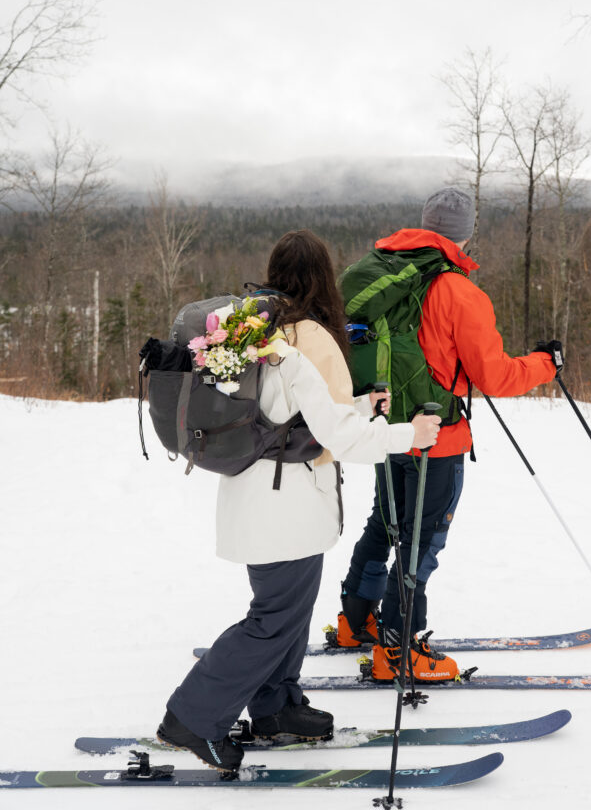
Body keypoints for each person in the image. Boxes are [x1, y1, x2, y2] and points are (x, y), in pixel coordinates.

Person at [156, 229, 441, 772]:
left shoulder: (256, 333)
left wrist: (361, 404)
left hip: (261, 496)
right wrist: (410, 434)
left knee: (289, 614)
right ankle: (192, 717)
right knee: (272, 620)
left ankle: (276, 707)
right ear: (323, 279)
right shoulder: (309, 339)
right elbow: (341, 437)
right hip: (285, 507)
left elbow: (290, 416)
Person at [337, 187, 561, 682]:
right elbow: (496, 376)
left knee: (385, 524)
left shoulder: (382, 273)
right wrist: (546, 363)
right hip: (437, 438)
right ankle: (398, 649)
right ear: (466, 235)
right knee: (421, 542)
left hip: (386, 429)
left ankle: (355, 622)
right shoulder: (459, 292)